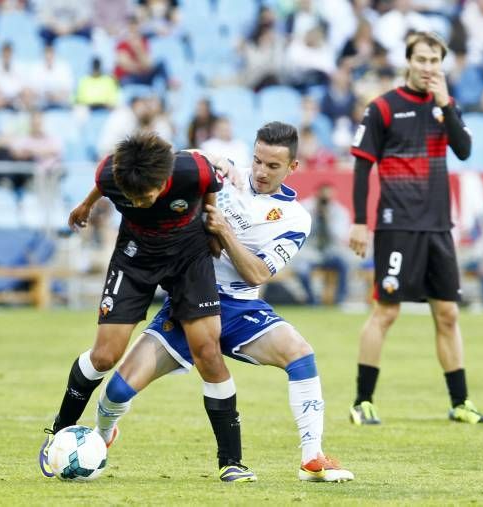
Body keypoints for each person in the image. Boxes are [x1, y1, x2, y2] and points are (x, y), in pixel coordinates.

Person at [94, 122, 354, 483]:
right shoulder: (225, 175)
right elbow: (179, 160)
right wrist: (213, 158)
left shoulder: (296, 218)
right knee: (118, 390)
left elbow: (258, 274)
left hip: (239, 307)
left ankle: (312, 457)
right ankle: (101, 438)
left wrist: (225, 233)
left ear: (293, 167)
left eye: (273, 166)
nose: (261, 172)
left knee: (300, 353)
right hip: (190, 299)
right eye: (258, 160)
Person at [39, 132, 257, 482]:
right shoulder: (111, 173)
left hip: (189, 257)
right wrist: (86, 205)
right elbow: (100, 186)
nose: (139, 203)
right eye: (132, 198)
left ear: (164, 179)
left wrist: (214, 224)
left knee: (208, 352)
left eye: (147, 196)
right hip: (135, 258)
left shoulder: (193, 169)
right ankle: (60, 431)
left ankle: (231, 461)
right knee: (104, 357)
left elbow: (210, 188)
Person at [348, 31, 483, 425]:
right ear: (408, 61)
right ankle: (362, 402)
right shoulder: (383, 108)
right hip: (398, 224)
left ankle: (460, 403)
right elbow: (363, 167)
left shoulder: (446, 107)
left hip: (438, 225)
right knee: (387, 312)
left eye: (435, 60)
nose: (428, 67)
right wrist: (361, 221)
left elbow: (463, 150)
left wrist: (446, 104)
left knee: (447, 314)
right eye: (422, 59)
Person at [295, 183, 351, 305]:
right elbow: (298, 232)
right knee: (302, 270)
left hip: (330, 252)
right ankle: (312, 301)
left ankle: (339, 301)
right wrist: (314, 216)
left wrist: (327, 219)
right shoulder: (304, 208)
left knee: (345, 264)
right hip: (309, 252)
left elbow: (340, 236)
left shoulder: (339, 211)